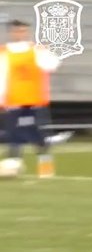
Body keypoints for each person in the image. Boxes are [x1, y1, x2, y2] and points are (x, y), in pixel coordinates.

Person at [0, 20, 61, 178]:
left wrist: (46, 52)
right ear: (11, 32)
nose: (20, 34)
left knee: (39, 135)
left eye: (23, 31)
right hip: (13, 101)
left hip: (35, 100)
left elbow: (52, 65)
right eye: (17, 31)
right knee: (13, 137)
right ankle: (13, 168)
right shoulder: (4, 52)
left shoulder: (36, 50)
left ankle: (46, 169)